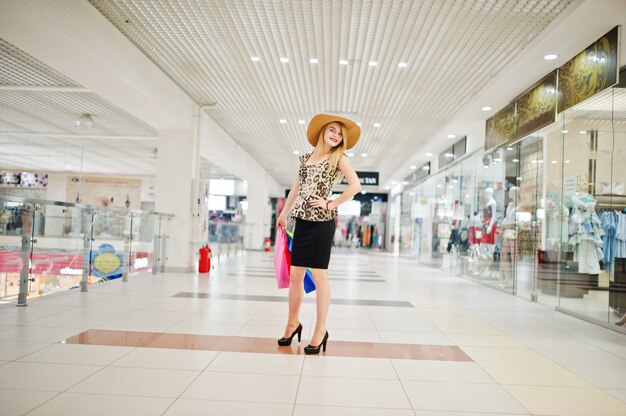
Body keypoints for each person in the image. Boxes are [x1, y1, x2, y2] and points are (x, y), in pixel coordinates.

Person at [275, 114, 362, 354]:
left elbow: (356, 185)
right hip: (301, 221)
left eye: (340, 134)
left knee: (321, 276)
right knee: (295, 275)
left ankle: (320, 329)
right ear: (323, 131)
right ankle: (293, 323)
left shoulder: (339, 157)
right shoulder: (304, 159)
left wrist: (331, 204)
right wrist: (284, 213)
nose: (335, 136)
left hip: (322, 224)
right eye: (332, 130)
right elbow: (296, 188)